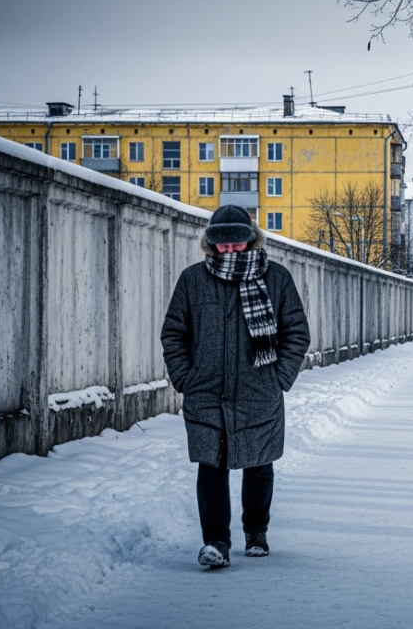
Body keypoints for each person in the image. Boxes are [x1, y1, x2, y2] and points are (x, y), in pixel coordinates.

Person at [161, 204, 310, 569]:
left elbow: (296, 334)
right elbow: (174, 334)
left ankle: (256, 532)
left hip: (259, 390)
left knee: (258, 464)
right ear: (210, 244)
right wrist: (185, 378)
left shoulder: (276, 278)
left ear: (251, 240)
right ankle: (216, 543)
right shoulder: (192, 280)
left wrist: (278, 378)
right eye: (221, 244)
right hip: (207, 393)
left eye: (236, 244)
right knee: (211, 466)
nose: (229, 250)